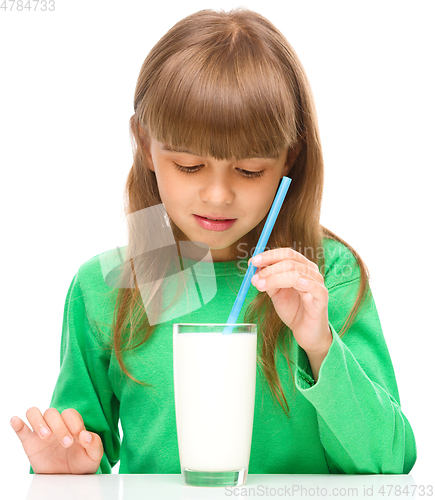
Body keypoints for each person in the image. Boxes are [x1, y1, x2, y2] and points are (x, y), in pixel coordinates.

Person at [10, 8, 416, 475]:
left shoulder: (327, 275)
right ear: (144, 145)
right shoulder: (107, 287)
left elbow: (391, 462)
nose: (218, 195)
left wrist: (320, 344)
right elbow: (83, 458)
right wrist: (66, 472)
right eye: (188, 165)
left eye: (249, 171)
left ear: (290, 159)